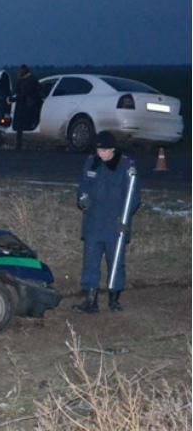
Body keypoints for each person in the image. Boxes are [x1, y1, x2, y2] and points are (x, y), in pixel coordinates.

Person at [73, 131, 141, 313]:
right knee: (90, 263)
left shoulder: (126, 166)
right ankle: (90, 300)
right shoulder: (92, 162)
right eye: (98, 150)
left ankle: (114, 300)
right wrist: (83, 198)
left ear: (112, 149)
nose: (101, 154)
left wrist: (124, 220)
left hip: (115, 224)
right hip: (94, 222)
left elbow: (133, 198)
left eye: (104, 151)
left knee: (116, 262)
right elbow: (83, 186)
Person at [7, 64, 42, 150]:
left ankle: (19, 145)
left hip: (24, 106)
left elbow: (22, 95)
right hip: (32, 105)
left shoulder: (26, 81)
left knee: (20, 126)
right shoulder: (33, 79)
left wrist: (12, 99)